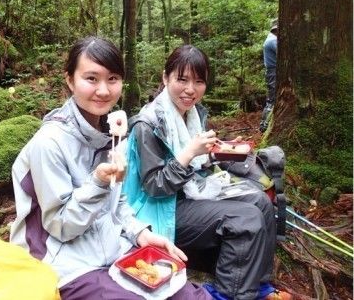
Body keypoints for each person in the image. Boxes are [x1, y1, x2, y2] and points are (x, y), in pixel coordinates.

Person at [9, 36, 212, 300]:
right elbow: (61, 226)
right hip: (66, 265)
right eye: (91, 79)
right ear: (70, 80)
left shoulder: (112, 134)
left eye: (113, 79)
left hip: (114, 249)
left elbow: (118, 204)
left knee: (190, 296)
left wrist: (140, 234)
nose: (104, 90)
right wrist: (97, 183)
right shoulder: (49, 143)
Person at [123, 45, 292, 300]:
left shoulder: (192, 114)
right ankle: (230, 294)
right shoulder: (148, 125)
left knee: (260, 201)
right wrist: (190, 152)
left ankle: (258, 283)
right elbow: (154, 187)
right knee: (245, 218)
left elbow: (199, 163)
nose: (191, 89)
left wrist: (219, 151)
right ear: (165, 77)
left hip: (188, 195)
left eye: (199, 81)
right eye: (182, 79)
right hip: (160, 211)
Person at [259, 19, 278, 132]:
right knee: (272, 100)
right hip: (273, 72)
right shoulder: (272, 41)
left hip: (273, 71)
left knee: (272, 98)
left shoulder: (270, 39)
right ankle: (264, 126)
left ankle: (264, 125)